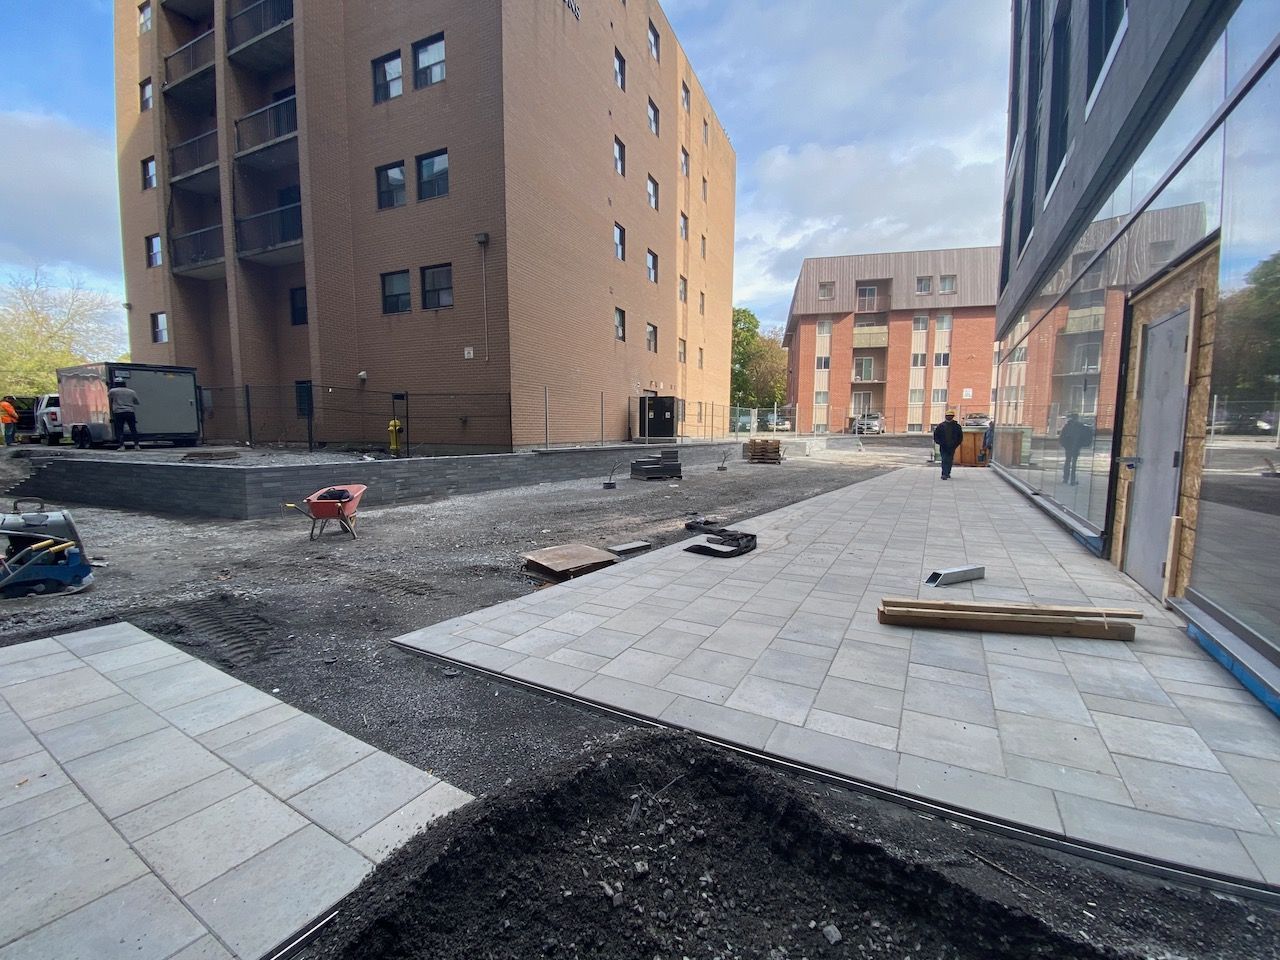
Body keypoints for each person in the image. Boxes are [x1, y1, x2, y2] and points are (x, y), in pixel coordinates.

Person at [1059, 412, 1093, 486]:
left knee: (1067, 462)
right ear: (1077, 418)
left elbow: (1062, 437)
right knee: (1074, 464)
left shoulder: (1067, 426)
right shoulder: (1080, 426)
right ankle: (1072, 480)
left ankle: (1065, 478)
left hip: (1068, 447)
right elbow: (1085, 436)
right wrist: (1081, 444)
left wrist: (1064, 445)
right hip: (1076, 447)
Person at [107, 379, 141, 450]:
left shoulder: (113, 391)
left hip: (119, 412)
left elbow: (109, 397)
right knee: (133, 428)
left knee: (120, 429)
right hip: (130, 411)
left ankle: (122, 446)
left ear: (116, 384)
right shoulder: (132, 392)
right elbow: (137, 402)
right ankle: (137, 445)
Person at [932, 409, 963, 480]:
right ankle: (944, 474)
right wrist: (939, 442)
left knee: (949, 460)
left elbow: (960, 437)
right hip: (943, 446)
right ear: (945, 416)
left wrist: (956, 444)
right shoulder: (941, 426)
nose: (949, 417)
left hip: (952, 446)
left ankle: (948, 472)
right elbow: (936, 435)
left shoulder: (957, 426)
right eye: (948, 415)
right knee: (944, 459)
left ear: (953, 416)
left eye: (951, 416)